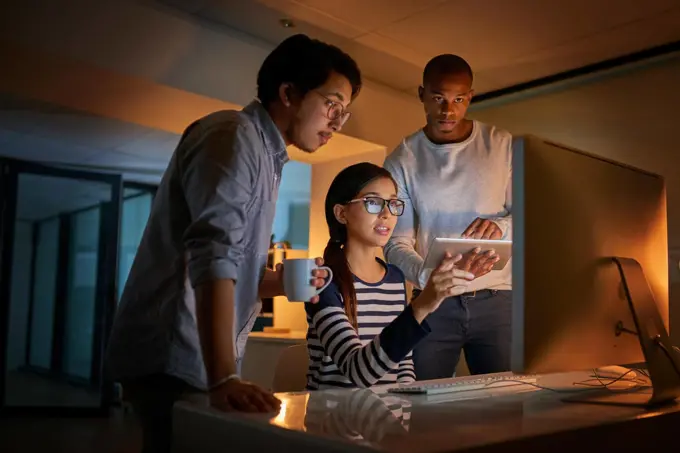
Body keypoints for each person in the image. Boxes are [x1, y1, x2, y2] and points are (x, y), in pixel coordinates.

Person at [105, 34, 361, 453]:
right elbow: (213, 253)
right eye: (332, 104)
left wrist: (277, 284)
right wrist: (223, 377)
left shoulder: (269, 157)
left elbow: (232, 266)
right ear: (289, 93)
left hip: (191, 359)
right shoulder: (234, 134)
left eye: (344, 113)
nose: (336, 121)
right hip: (175, 354)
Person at [305, 162, 497, 390]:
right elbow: (358, 372)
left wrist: (405, 409)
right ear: (341, 213)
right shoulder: (320, 280)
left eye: (393, 204)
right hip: (334, 419)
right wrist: (424, 303)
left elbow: (402, 364)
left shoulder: (394, 276)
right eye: (373, 203)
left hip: (387, 419)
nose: (387, 214)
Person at [383, 54, 514, 381]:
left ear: (470, 97)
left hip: (498, 301)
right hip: (432, 304)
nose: (448, 110)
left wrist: (500, 226)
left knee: (507, 403)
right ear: (422, 94)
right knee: (423, 405)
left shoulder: (501, 145)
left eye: (458, 99)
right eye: (438, 98)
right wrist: (427, 277)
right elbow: (394, 243)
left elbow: (533, 214)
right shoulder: (402, 158)